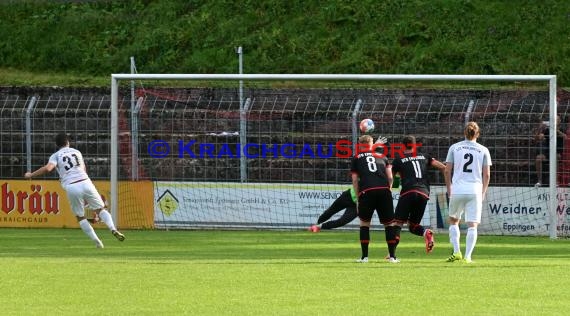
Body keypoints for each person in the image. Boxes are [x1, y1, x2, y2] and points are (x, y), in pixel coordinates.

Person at [24, 133, 125, 248]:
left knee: (80, 217)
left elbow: (48, 168)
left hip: (72, 186)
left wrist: (31, 174)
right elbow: (83, 169)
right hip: (85, 181)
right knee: (101, 209)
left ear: (57, 145)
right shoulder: (77, 152)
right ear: (68, 142)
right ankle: (113, 229)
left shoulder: (56, 155)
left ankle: (97, 242)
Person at [444, 122, 492, 263]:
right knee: (473, 224)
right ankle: (468, 257)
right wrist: (483, 192)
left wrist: (449, 189)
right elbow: (487, 175)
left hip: (457, 189)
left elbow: (447, 170)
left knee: (454, 221)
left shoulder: (455, 147)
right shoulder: (483, 150)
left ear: (464, 133)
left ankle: (457, 252)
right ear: (477, 134)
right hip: (475, 190)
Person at [391, 135, 446, 255]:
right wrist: (450, 183)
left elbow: (391, 177)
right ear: (415, 145)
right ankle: (426, 232)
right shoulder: (425, 156)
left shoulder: (398, 159)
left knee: (397, 223)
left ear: (402, 146)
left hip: (408, 191)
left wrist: (389, 189)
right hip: (424, 193)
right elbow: (443, 167)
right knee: (413, 226)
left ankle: (392, 254)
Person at [351, 135, 400, 263]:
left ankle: (364, 257)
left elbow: (355, 180)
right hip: (384, 191)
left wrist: (358, 197)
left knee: (364, 224)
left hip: (367, 191)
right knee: (389, 224)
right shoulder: (383, 157)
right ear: (372, 143)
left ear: (360, 144)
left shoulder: (356, 158)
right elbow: (390, 178)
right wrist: (388, 189)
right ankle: (393, 257)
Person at [534, 115, 566, 187]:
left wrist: (555, 129)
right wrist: (540, 129)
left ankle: (556, 181)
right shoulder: (548, 130)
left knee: (556, 157)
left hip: (559, 152)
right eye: (553, 120)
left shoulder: (562, 129)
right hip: (548, 152)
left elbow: (565, 137)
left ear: (559, 121)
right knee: (538, 158)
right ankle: (539, 181)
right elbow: (536, 139)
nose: (554, 121)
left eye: (556, 120)